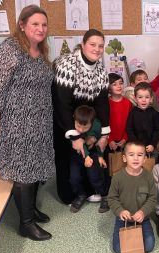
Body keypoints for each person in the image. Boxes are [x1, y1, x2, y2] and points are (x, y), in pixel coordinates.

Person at [0, 5, 54, 240]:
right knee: (22, 170)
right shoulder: (10, 49)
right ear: (22, 25)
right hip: (17, 124)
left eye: (44, 24)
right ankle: (25, 223)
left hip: (40, 122)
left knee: (35, 167)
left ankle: (31, 210)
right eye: (35, 24)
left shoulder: (41, 50)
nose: (40, 28)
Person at [52, 29, 110, 205]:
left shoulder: (100, 68)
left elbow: (102, 103)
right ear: (83, 45)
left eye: (100, 46)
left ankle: (91, 189)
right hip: (66, 119)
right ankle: (69, 194)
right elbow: (62, 104)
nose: (97, 49)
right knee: (67, 159)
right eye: (93, 44)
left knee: (90, 154)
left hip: (88, 119)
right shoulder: (68, 64)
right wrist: (74, 135)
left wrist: (105, 133)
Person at [107, 141, 157, 253]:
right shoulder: (117, 178)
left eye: (140, 155)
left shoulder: (148, 177)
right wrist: (120, 211)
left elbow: (152, 198)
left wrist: (143, 212)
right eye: (131, 155)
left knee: (149, 246)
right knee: (119, 250)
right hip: (123, 219)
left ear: (144, 159)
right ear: (124, 158)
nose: (136, 158)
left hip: (142, 219)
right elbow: (112, 198)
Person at [68, 106, 109, 213]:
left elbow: (95, 143)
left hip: (93, 152)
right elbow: (79, 143)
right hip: (77, 153)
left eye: (85, 127)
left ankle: (105, 195)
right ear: (74, 119)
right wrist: (85, 156)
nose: (81, 130)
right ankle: (81, 195)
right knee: (74, 178)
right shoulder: (71, 126)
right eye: (78, 126)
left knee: (95, 177)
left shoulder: (96, 125)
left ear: (92, 122)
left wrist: (100, 156)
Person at [126, 82, 159, 155]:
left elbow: (158, 130)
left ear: (151, 98)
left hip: (151, 147)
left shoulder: (154, 112)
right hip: (136, 147)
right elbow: (129, 129)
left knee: (151, 163)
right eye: (140, 97)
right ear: (135, 98)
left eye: (147, 97)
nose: (144, 100)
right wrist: (136, 143)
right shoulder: (132, 113)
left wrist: (152, 144)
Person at [108, 73, 132, 152]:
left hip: (124, 140)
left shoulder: (128, 103)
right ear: (108, 87)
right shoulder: (106, 103)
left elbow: (130, 123)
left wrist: (125, 138)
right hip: (109, 140)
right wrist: (109, 140)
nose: (119, 86)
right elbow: (104, 123)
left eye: (121, 83)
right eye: (114, 84)